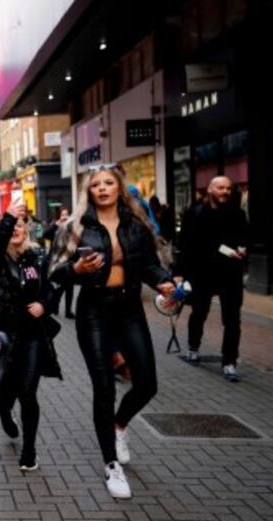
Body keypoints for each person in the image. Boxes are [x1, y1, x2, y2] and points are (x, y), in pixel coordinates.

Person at [50, 166, 175, 499]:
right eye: (95, 185)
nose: (102, 189)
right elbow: (55, 273)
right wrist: (75, 270)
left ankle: (119, 425)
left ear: (120, 188)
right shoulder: (75, 228)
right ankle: (110, 465)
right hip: (93, 312)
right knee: (103, 386)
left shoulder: (136, 226)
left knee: (147, 383)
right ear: (88, 192)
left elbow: (149, 265)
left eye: (108, 183)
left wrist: (165, 282)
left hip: (130, 310)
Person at [0, 201, 61, 472]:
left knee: (28, 393)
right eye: (11, 225)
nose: (16, 228)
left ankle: (29, 451)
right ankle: (3, 409)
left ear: (27, 228)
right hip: (4, 336)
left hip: (32, 336)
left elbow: (51, 289)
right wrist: (7, 218)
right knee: (6, 393)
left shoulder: (38, 256)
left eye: (20, 224)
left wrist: (45, 304)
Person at [175, 175, 249, 381]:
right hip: (202, 273)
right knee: (199, 313)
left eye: (228, 188)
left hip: (230, 274)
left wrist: (243, 249)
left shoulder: (238, 214)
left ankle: (230, 362)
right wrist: (179, 274)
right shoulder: (195, 214)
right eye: (220, 188)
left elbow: (245, 238)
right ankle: (193, 347)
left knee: (233, 319)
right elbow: (185, 246)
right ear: (210, 189)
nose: (225, 192)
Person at [43, 207, 75, 317]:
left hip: (69, 259)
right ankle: (55, 305)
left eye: (67, 214)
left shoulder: (72, 226)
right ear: (59, 216)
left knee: (69, 287)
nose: (65, 217)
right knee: (59, 287)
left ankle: (68, 311)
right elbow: (46, 235)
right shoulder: (55, 226)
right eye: (62, 214)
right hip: (57, 261)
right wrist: (57, 224)